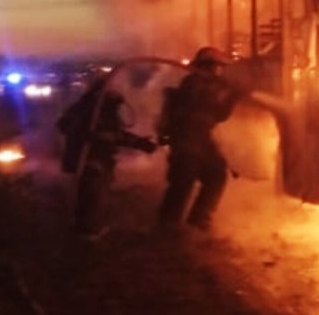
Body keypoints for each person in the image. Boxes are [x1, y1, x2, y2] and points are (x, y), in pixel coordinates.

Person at [157, 47, 247, 231]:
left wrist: (233, 98)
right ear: (208, 66)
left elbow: (219, 115)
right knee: (183, 180)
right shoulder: (192, 83)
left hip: (202, 139)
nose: (220, 71)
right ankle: (167, 225)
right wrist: (222, 88)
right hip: (185, 140)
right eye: (218, 66)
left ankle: (199, 219)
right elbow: (200, 101)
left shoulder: (208, 85)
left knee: (216, 173)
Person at [58, 77, 157, 238]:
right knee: (93, 193)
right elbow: (64, 124)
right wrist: (87, 134)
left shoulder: (105, 109)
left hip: (99, 157)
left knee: (94, 193)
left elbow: (115, 135)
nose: (117, 92)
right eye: (113, 89)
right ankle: (87, 231)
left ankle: (84, 227)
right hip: (91, 157)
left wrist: (140, 143)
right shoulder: (90, 107)